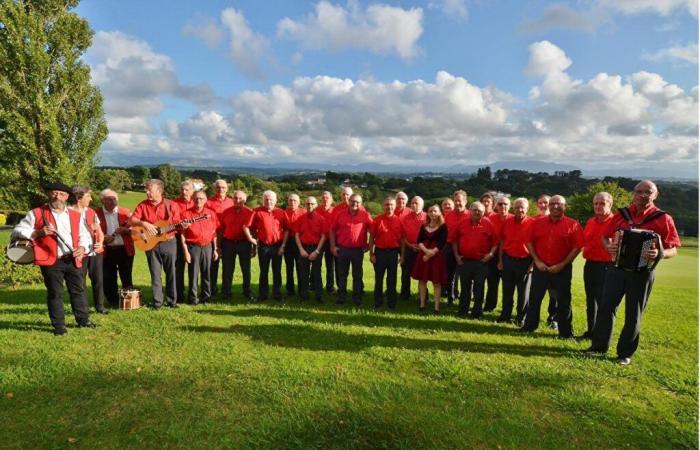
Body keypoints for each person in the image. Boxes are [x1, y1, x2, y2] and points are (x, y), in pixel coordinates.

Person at [588, 180, 680, 365]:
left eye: (648, 192)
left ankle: (624, 354)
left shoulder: (663, 218)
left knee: (634, 313)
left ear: (655, 195)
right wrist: (610, 249)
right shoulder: (622, 214)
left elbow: (673, 248)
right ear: (634, 193)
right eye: (639, 191)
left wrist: (659, 253)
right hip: (617, 269)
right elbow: (604, 236)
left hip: (643, 272)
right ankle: (599, 346)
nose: (643, 195)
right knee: (606, 308)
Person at [12, 182, 94, 334]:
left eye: (62, 194)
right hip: (51, 259)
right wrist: (38, 233)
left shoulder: (75, 215)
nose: (58, 196)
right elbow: (18, 230)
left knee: (78, 290)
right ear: (49, 194)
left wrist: (82, 248)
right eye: (54, 193)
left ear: (67, 197)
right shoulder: (37, 213)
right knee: (55, 293)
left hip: (72, 258)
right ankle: (59, 326)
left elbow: (85, 235)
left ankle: (83, 320)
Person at [520, 195, 583, 338]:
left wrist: (562, 265)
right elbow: (528, 241)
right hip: (541, 267)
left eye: (559, 204)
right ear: (548, 206)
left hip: (562, 269)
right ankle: (530, 326)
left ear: (565, 207)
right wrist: (537, 261)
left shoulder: (573, 224)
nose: (555, 206)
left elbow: (577, 247)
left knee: (563, 301)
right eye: (552, 203)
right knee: (535, 298)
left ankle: (566, 332)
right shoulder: (537, 223)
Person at [130, 179, 183, 309]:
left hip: (169, 242)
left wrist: (183, 224)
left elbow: (178, 223)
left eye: (150, 190)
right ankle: (157, 302)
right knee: (155, 273)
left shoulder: (171, 205)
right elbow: (132, 219)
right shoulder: (143, 205)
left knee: (171, 272)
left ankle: (172, 301)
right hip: (150, 243)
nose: (147, 192)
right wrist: (143, 223)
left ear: (160, 191)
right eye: (146, 190)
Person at [452, 202, 498, 318]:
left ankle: (477, 312)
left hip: (481, 262)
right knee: (465, 287)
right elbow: (453, 240)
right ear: (470, 211)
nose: (477, 212)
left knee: (479, 287)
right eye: (475, 210)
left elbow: (496, 242)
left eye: (480, 211)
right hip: (465, 261)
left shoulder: (488, 223)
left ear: (483, 212)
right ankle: (463, 310)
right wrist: (457, 255)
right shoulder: (462, 223)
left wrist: (491, 254)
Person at [580, 192, 614, 339]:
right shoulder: (591, 221)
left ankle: (600, 335)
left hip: (607, 267)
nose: (598, 206)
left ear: (610, 204)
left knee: (604, 303)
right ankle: (591, 331)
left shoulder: (616, 222)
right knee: (591, 300)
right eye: (596, 203)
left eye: (602, 203)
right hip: (590, 265)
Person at [244, 190, 289, 302]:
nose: (269, 202)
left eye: (271, 200)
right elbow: (246, 226)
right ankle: (263, 295)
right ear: (263, 200)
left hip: (277, 245)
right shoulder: (257, 211)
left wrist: (283, 245)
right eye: (266, 199)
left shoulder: (281, 212)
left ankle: (277, 294)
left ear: (275, 200)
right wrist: (251, 239)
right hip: (263, 246)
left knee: (277, 271)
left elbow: (287, 230)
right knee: (264, 271)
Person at [70, 185, 108, 314]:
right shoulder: (67, 213)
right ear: (78, 197)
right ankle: (83, 308)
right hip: (79, 252)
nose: (91, 199)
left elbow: (100, 231)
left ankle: (100, 306)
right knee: (80, 281)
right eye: (87, 196)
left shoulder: (91, 212)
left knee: (98, 279)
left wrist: (101, 242)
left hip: (95, 251)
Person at [330, 193, 373, 306]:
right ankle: (341, 297)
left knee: (357, 275)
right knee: (342, 275)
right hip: (342, 249)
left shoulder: (365, 215)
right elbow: (332, 231)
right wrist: (333, 246)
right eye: (353, 201)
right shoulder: (340, 214)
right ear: (349, 201)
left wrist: (369, 245)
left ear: (361, 203)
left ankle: (357, 298)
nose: (355, 204)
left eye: (357, 202)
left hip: (358, 250)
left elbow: (373, 230)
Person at [96, 189, 135, 308]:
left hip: (125, 249)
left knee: (126, 275)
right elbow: (90, 231)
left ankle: (129, 301)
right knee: (108, 277)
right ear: (102, 201)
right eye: (110, 199)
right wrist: (103, 238)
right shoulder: (95, 213)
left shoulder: (126, 212)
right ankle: (113, 301)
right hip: (106, 250)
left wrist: (127, 230)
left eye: (115, 199)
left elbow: (137, 230)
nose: (113, 201)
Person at [497, 198, 532, 325]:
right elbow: (502, 242)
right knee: (507, 290)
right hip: (508, 260)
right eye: (517, 207)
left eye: (522, 207)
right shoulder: (507, 222)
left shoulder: (532, 223)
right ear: (513, 208)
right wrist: (500, 260)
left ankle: (521, 317)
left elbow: (537, 245)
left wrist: (533, 264)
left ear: (527, 209)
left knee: (523, 293)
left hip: (525, 261)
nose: (520, 209)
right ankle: (505, 315)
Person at [180, 191, 219, 305]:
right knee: (193, 274)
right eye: (196, 198)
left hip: (207, 247)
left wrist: (215, 249)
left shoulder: (211, 213)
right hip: (193, 247)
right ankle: (193, 298)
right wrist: (185, 251)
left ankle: (206, 297)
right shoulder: (186, 214)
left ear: (206, 200)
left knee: (207, 273)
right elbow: (182, 234)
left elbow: (214, 232)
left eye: (201, 198)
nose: (199, 201)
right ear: (193, 199)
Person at [411, 204, 448, 314]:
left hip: (436, 257)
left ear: (439, 213)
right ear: (428, 213)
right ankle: (422, 304)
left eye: (435, 211)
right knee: (422, 280)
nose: (433, 213)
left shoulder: (443, 226)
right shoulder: (423, 226)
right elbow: (419, 241)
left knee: (436, 282)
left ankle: (436, 307)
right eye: (431, 211)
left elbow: (442, 243)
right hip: (423, 256)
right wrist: (426, 251)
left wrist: (431, 253)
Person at [220, 190, 255, 302]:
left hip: (244, 243)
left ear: (245, 200)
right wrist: (219, 246)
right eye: (235, 198)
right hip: (228, 243)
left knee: (246, 269)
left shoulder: (250, 212)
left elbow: (253, 232)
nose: (237, 200)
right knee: (227, 269)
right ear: (232, 199)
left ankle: (247, 291)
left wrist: (254, 248)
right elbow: (221, 230)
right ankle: (226, 292)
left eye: (240, 198)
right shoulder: (226, 212)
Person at [369, 197, 402, 309]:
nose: (389, 207)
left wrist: (401, 256)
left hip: (393, 253)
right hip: (380, 253)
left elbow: (402, 240)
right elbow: (371, 238)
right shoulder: (377, 220)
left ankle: (391, 303)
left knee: (392, 279)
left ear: (395, 206)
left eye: (391, 204)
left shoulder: (399, 220)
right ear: (383, 206)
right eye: (387, 204)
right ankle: (378, 303)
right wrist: (371, 254)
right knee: (379, 279)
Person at [295, 196, 327, 303]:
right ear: (305, 205)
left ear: (316, 205)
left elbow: (323, 236)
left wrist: (317, 251)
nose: (310, 206)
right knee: (304, 273)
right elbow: (297, 235)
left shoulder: (321, 219)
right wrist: (301, 249)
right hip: (303, 247)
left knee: (317, 273)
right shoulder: (300, 219)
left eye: (312, 204)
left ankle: (319, 295)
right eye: (308, 204)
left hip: (316, 248)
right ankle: (304, 295)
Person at [206, 179, 233, 297]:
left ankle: (226, 291)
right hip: (213, 236)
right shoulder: (208, 202)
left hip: (227, 237)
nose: (221, 189)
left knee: (227, 266)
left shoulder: (232, 202)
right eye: (218, 187)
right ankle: (212, 289)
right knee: (213, 264)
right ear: (214, 189)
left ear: (227, 189)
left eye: (223, 187)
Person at [484, 195, 511, 312]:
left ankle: (506, 309)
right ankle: (490, 306)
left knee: (508, 285)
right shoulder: (491, 219)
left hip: (509, 255)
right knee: (492, 282)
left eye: (505, 204)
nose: (503, 206)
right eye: (500, 204)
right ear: (496, 206)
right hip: (493, 255)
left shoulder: (513, 219)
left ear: (509, 206)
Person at [535, 193, 558, 329]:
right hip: (537, 265)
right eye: (541, 203)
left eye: (546, 202)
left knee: (554, 294)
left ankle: (553, 318)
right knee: (536, 294)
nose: (543, 205)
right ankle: (532, 318)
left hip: (555, 266)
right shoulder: (533, 221)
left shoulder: (561, 220)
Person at [444, 190, 470, 306]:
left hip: (466, 249)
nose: (458, 203)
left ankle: (465, 298)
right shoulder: (448, 215)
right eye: (456, 201)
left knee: (467, 276)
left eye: (460, 201)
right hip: (449, 248)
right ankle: (450, 297)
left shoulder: (470, 215)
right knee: (450, 275)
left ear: (465, 201)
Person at [400, 196, 426, 301]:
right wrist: (410, 245)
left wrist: (421, 247)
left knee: (423, 274)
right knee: (406, 273)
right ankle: (405, 294)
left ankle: (423, 295)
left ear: (422, 205)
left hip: (422, 250)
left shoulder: (427, 217)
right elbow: (402, 236)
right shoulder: (404, 218)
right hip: (408, 249)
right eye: (412, 203)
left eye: (416, 203)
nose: (414, 205)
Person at [173, 180, 195, 304]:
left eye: (187, 190)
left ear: (192, 191)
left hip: (193, 238)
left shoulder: (196, 202)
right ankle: (179, 294)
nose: (184, 192)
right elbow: (171, 220)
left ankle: (193, 294)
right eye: (182, 189)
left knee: (193, 267)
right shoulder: (174, 203)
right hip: (177, 237)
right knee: (178, 267)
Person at [284, 193, 307, 297]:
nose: (292, 202)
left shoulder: (304, 212)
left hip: (300, 242)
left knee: (300, 267)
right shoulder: (284, 213)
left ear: (299, 202)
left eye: (295, 200)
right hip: (288, 242)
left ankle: (302, 290)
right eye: (290, 200)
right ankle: (290, 290)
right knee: (289, 267)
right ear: (288, 201)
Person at [317, 191, 336, 293]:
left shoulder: (335, 211)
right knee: (316, 264)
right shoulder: (316, 210)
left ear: (331, 199)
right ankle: (315, 285)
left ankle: (330, 287)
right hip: (318, 241)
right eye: (323, 198)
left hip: (330, 241)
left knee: (330, 265)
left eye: (327, 198)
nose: (325, 200)